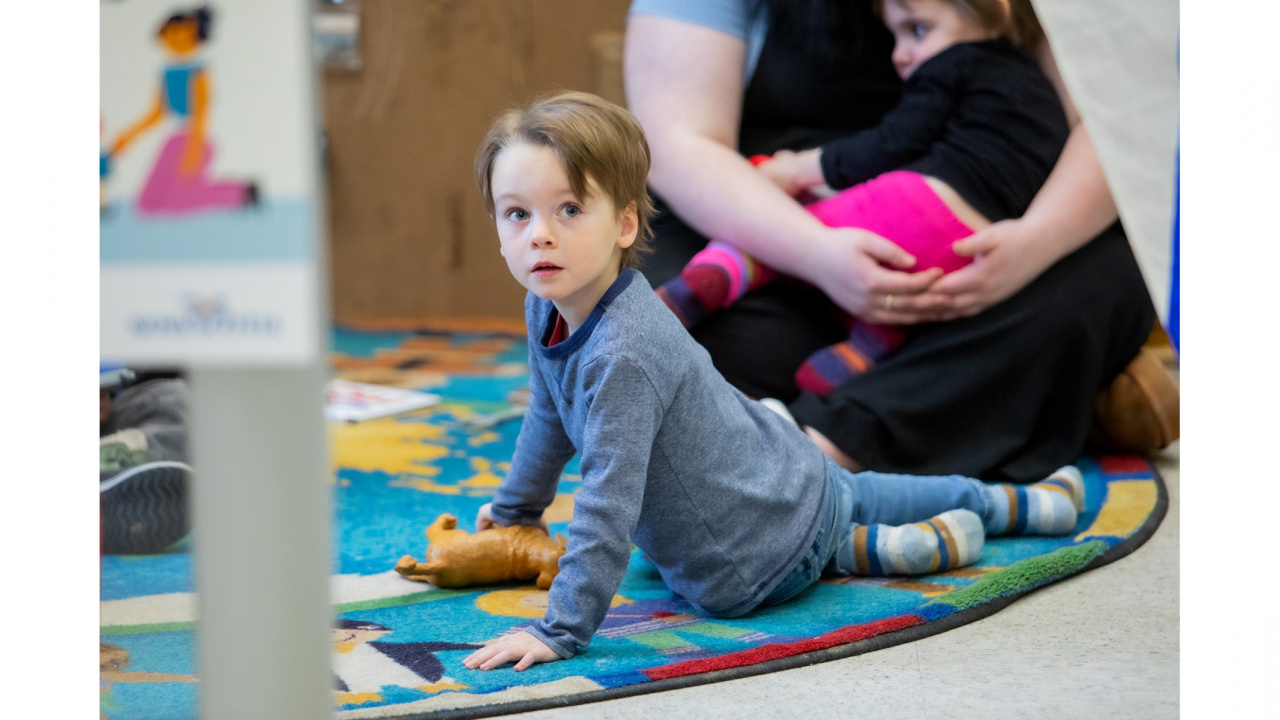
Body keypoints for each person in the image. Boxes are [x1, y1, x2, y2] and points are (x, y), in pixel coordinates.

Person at [459, 92, 1084, 671]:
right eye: (517, 214)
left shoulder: (623, 351)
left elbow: (606, 497)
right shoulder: (550, 305)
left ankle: (902, 540)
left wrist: (560, 630)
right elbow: (549, 412)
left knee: (846, 509)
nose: (539, 233)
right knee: (853, 495)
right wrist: (518, 512)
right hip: (756, 518)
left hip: (754, 549)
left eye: (569, 209)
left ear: (624, 225)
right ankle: (992, 508)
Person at [625, 0, 1171, 481]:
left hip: (985, 250)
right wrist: (819, 255)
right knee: (636, 319)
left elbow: (1111, 124)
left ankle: (821, 450)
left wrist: (1033, 245)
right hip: (777, 222)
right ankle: (1043, 398)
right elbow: (679, 145)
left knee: (1112, 278)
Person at [656, 0, 1068, 397]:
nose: (901, 56)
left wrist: (797, 168)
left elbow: (890, 144)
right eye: (896, 38)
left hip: (915, 205)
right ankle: (868, 348)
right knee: (906, 304)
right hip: (973, 249)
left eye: (918, 30)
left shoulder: (954, 64)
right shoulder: (1042, 90)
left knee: (760, 242)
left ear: (994, 9)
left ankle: (718, 272)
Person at [107, 5, 257, 215]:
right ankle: (237, 192)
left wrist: (193, 149)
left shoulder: (199, 73)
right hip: (176, 140)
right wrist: (127, 137)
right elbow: (156, 114)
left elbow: (202, 113)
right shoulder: (167, 73)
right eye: (171, 34)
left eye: (184, 35)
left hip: (197, 141)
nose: (176, 40)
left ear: (196, 38)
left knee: (177, 199)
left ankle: (238, 193)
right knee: (147, 205)